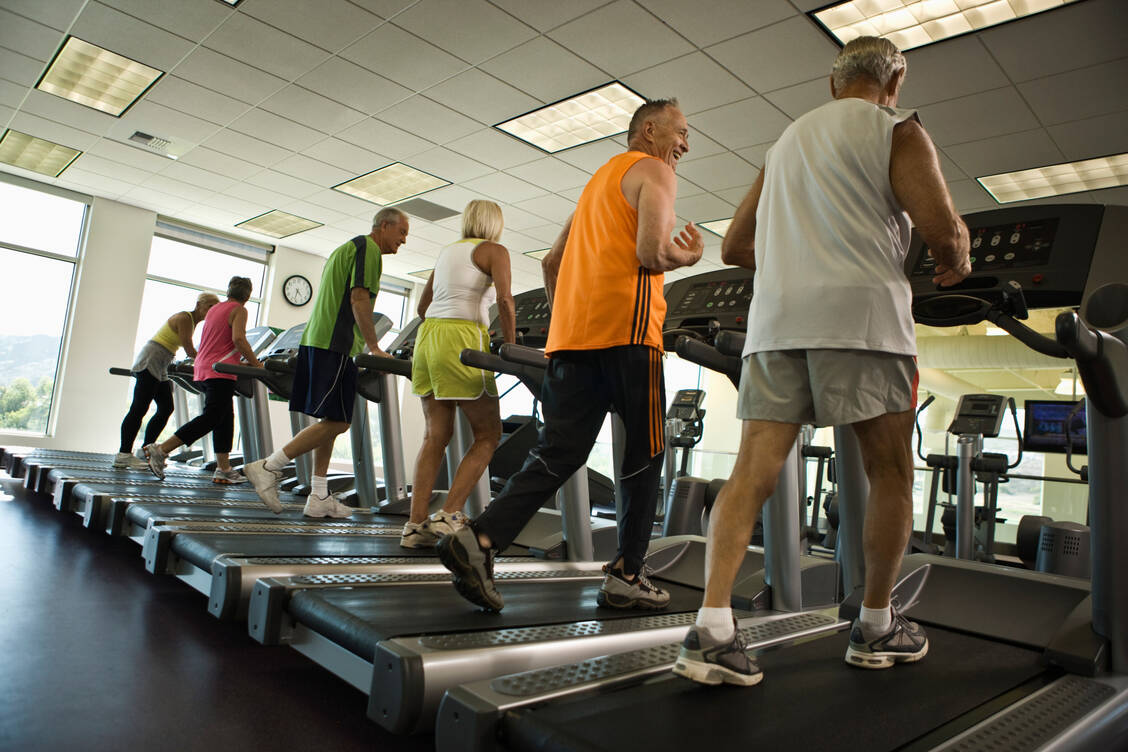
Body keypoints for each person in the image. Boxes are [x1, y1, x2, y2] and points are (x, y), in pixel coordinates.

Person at [673, 36, 971, 687]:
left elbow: (734, 246)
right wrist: (957, 258)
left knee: (752, 470)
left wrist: (792, 265)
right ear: (895, 82)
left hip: (775, 324)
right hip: (863, 323)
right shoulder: (897, 129)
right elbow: (941, 228)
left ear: (834, 84)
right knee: (890, 470)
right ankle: (875, 625)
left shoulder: (785, 143)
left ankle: (712, 630)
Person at [437, 98, 703, 612]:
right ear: (649, 131)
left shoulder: (597, 185)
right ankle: (627, 574)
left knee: (558, 453)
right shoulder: (654, 170)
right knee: (645, 456)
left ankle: (480, 539)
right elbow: (651, 255)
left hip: (573, 342)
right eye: (682, 132)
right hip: (630, 340)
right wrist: (687, 255)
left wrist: (570, 321)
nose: (685, 146)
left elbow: (551, 262)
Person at [243, 208, 409, 519]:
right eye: (401, 232)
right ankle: (269, 466)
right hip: (336, 345)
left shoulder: (345, 248)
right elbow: (359, 298)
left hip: (322, 341)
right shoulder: (368, 250)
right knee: (339, 422)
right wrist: (374, 347)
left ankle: (319, 494)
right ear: (384, 226)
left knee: (331, 421)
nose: (403, 240)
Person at [400, 200, 516, 548]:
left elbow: (423, 308)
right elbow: (506, 301)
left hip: (430, 337)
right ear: (496, 223)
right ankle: (449, 514)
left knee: (435, 436)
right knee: (488, 434)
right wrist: (512, 348)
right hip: (462, 339)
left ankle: (415, 526)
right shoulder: (494, 250)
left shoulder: (447, 251)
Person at [143, 277, 264, 484]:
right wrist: (257, 364)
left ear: (228, 291)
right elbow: (239, 339)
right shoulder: (240, 310)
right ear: (248, 295)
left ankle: (223, 468)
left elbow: (218, 345)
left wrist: (242, 364)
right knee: (212, 417)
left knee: (225, 418)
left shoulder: (215, 309)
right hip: (219, 372)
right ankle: (161, 449)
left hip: (205, 367)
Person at [114, 292, 219, 469]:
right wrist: (212, 363)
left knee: (166, 408)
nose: (212, 311)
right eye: (210, 306)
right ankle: (123, 454)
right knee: (139, 407)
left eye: (215, 308)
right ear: (199, 304)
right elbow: (189, 349)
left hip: (163, 360)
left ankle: (147, 450)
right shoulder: (185, 318)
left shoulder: (192, 322)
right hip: (152, 357)